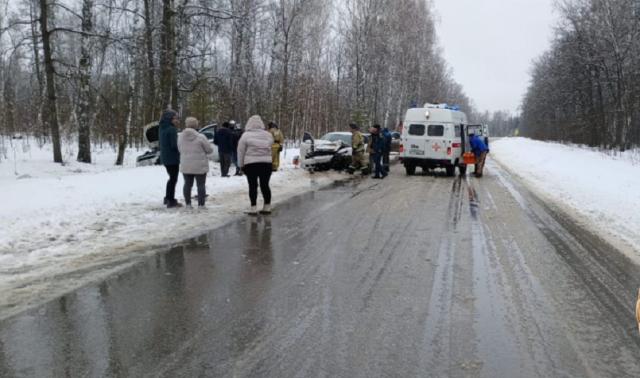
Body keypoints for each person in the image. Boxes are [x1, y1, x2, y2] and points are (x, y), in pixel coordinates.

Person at [237, 115, 274, 215]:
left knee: (252, 186)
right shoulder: (268, 135)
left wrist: (240, 165)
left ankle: (253, 208)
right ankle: (267, 207)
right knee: (265, 185)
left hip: (251, 164)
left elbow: (241, 151)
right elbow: (271, 145)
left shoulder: (245, 136)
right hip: (266, 164)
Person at [178, 117, 213, 208]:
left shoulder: (180, 137)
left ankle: (188, 204)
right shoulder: (201, 137)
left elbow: (179, 149)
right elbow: (209, 150)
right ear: (196, 125)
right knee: (201, 185)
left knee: (187, 184)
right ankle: (201, 205)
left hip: (186, 164)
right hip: (199, 165)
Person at [159, 109, 182, 208]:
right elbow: (174, 145)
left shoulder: (162, 127)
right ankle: (171, 200)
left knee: (171, 178)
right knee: (173, 179)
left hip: (165, 157)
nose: (177, 120)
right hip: (172, 158)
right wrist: (180, 151)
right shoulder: (172, 129)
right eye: (175, 118)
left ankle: (167, 197)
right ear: (170, 119)